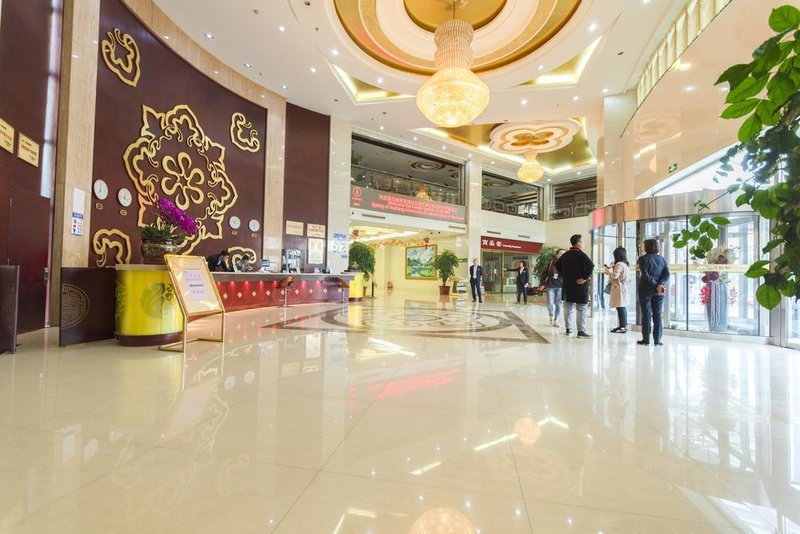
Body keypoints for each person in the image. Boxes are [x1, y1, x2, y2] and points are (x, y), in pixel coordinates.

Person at [555, 234, 594, 338]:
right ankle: (581, 331)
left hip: (567, 285)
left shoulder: (565, 255)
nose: (584, 243)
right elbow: (591, 266)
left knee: (568, 306)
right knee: (581, 307)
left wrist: (565, 274)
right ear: (579, 243)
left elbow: (557, 265)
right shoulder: (581, 254)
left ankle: (568, 329)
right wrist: (584, 278)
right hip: (579, 285)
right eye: (583, 241)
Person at [637, 239, 670, 346]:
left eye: (643, 245)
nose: (642, 246)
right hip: (659, 291)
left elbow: (646, 275)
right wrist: (660, 284)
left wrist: (656, 285)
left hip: (645, 289)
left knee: (646, 314)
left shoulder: (642, 259)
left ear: (647, 246)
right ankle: (657, 340)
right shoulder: (662, 259)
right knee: (658, 314)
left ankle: (646, 340)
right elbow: (666, 275)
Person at [604, 246, 631, 333]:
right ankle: (622, 326)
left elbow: (615, 276)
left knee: (620, 307)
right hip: (622, 288)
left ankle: (622, 327)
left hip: (619, 289)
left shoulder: (619, 264)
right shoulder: (625, 264)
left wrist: (608, 272)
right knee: (622, 307)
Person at [541, 249, 565, 327]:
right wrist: (542, 284)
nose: (562, 255)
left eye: (563, 254)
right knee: (550, 302)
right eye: (560, 253)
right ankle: (551, 314)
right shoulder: (551, 263)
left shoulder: (566, 264)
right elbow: (544, 273)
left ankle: (556, 320)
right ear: (557, 255)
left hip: (560, 286)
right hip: (550, 285)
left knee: (559, 304)